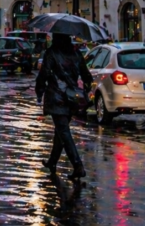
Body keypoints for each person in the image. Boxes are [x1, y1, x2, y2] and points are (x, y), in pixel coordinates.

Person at [35, 33, 93, 181]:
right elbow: (86, 75)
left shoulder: (52, 53)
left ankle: (77, 165)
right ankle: (52, 162)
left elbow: (44, 74)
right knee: (60, 131)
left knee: (64, 132)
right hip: (71, 97)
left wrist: (39, 91)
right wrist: (85, 89)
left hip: (57, 97)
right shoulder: (76, 53)